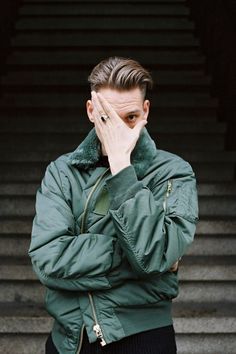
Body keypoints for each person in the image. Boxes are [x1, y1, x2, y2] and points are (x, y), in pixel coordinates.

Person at [28, 56, 199, 354]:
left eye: (130, 118)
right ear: (92, 111)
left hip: (144, 338)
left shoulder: (174, 172)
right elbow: (48, 259)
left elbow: (152, 255)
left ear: (145, 111)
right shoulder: (62, 172)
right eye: (108, 118)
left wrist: (121, 166)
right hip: (69, 340)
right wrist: (138, 256)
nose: (119, 132)